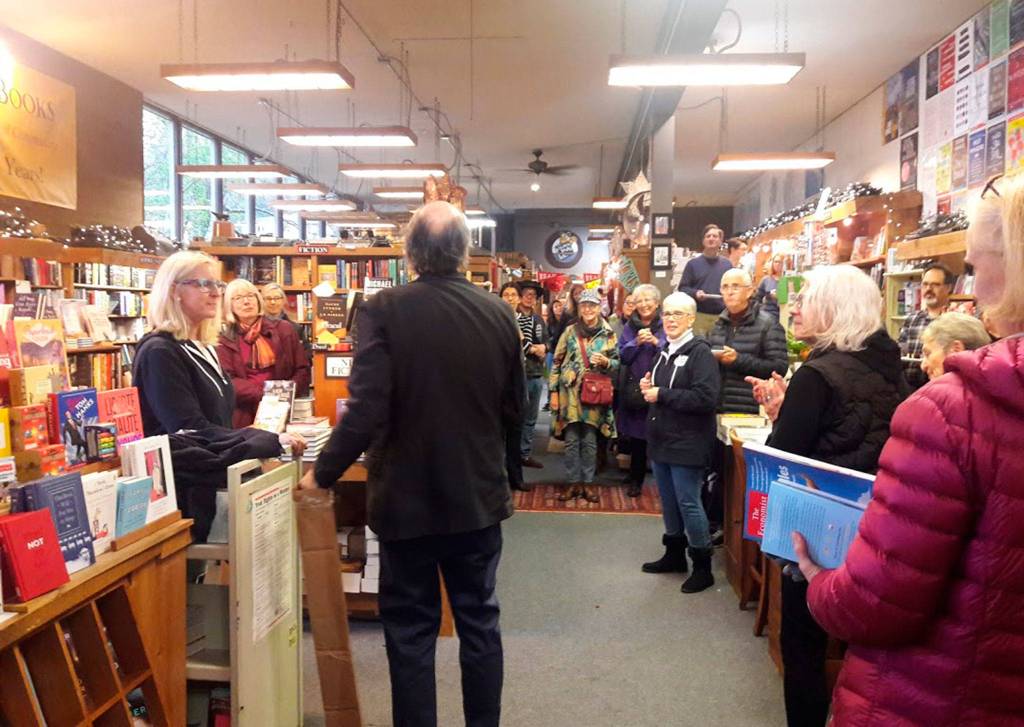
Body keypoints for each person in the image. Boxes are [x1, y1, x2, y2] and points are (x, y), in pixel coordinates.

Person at [789, 175, 1024, 725]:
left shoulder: (955, 411)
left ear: (1010, 270)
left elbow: (876, 602)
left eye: (974, 264)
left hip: (939, 693)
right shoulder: (905, 374)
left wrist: (818, 581)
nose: (972, 280)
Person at [299, 201, 524, 727]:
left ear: (409, 252)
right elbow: (516, 407)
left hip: (407, 499)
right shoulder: (499, 312)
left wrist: (323, 472)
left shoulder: (384, 308)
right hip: (477, 495)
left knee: (411, 630)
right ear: (465, 252)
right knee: (480, 622)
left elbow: (367, 407)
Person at [745, 265, 908, 727]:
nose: (795, 306)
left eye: (807, 298)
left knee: (803, 649)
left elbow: (785, 457)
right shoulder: (892, 370)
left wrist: (780, 417)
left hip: (818, 536)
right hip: (877, 532)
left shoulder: (817, 374)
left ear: (833, 309)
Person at [133, 251, 304, 538]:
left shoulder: (201, 347)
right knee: (186, 579)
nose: (215, 293)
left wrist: (252, 434)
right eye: (203, 284)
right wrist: (264, 439)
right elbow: (189, 429)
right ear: (174, 290)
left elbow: (218, 419)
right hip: (179, 495)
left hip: (207, 486)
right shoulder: (160, 351)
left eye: (218, 285)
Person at [638, 292, 720, 593]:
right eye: (667, 314)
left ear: (691, 319)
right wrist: (650, 386)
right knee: (669, 502)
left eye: (677, 314)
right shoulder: (664, 351)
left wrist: (661, 394)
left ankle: (702, 565)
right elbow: (663, 386)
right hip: (662, 439)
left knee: (689, 502)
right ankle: (674, 555)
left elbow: (706, 398)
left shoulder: (700, 353)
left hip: (688, 442)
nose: (670, 319)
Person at [548, 288, 619, 503]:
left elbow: (617, 363)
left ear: (599, 308)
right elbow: (557, 362)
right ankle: (572, 483)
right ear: (579, 308)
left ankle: (587, 484)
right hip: (569, 394)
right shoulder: (570, 332)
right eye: (584, 305)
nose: (588, 309)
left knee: (589, 441)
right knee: (571, 441)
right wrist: (553, 392)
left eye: (592, 305)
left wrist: (607, 363)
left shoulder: (608, 333)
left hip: (594, 396)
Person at [217, 279, 311, 428]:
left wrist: (286, 394)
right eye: (238, 298)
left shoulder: (284, 330)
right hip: (243, 414)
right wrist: (267, 395)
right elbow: (227, 380)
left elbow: (302, 370)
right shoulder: (223, 339)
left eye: (251, 295)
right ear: (229, 305)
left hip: (284, 409)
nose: (246, 302)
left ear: (258, 300)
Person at [707, 268, 789, 414]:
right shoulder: (718, 324)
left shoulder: (768, 324)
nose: (729, 292)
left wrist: (738, 360)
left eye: (735, 286)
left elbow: (779, 368)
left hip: (751, 409)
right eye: (725, 287)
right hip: (718, 409)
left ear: (749, 292)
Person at [615, 284, 665, 497]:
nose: (644, 305)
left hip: (660, 386)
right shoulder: (630, 326)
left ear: (656, 303)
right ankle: (635, 478)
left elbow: (673, 350)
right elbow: (623, 355)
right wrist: (635, 342)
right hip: (635, 386)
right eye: (640, 301)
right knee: (636, 434)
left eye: (648, 300)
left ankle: (660, 481)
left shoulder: (665, 323)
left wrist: (656, 342)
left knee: (657, 435)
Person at [897, 262, 954, 389]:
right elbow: (900, 353)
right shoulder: (912, 319)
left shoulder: (955, 320)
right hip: (910, 388)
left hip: (942, 388)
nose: (928, 289)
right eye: (925, 284)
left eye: (935, 285)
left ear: (948, 288)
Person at [498, 282, 529, 491]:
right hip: (496, 385)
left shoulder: (527, 320)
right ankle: (498, 479)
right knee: (496, 437)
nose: (509, 298)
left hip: (518, 383)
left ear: (518, 298)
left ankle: (516, 478)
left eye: (512, 295)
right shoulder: (493, 321)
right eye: (505, 294)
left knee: (515, 435)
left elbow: (532, 344)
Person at [678, 224, 732, 335]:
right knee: (699, 348)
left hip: (722, 316)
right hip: (699, 316)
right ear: (703, 241)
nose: (711, 238)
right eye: (708, 236)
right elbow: (683, 288)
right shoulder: (693, 264)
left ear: (720, 241)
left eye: (715, 236)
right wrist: (695, 293)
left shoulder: (727, 265)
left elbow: (731, 287)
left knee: (719, 349)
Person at [515, 281, 547, 469]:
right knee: (515, 416)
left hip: (536, 373)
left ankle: (525, 453)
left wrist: (544, 347)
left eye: (533, 295)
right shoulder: (512, 317)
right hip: (517, 374)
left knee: (531, 418)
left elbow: (547, 340)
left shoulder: (538, 319)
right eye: (526, 294)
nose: (530, 298)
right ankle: (511, 454)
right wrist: (533, 349)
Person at [919, 311, 991, 380]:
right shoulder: (996, 386)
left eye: (928, 354)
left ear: (956, 349)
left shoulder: (940, 391)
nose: (923, 366)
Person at [261, 282, 312, 361]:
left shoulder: (296, 328)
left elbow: (305, 356)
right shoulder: (255, 327)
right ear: (261, 301)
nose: (273, 302)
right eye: (268, 298)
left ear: (283, 300)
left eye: (277, 298)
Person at [754, 253, 785, 320]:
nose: (778, 264)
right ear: (772, 263)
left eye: (780, 262)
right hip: (767, 314)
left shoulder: (787, 280)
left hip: (783, 314)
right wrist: (760, 311)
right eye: (776, 262)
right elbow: (757, 298)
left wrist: (778, 297)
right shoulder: (766, 280)